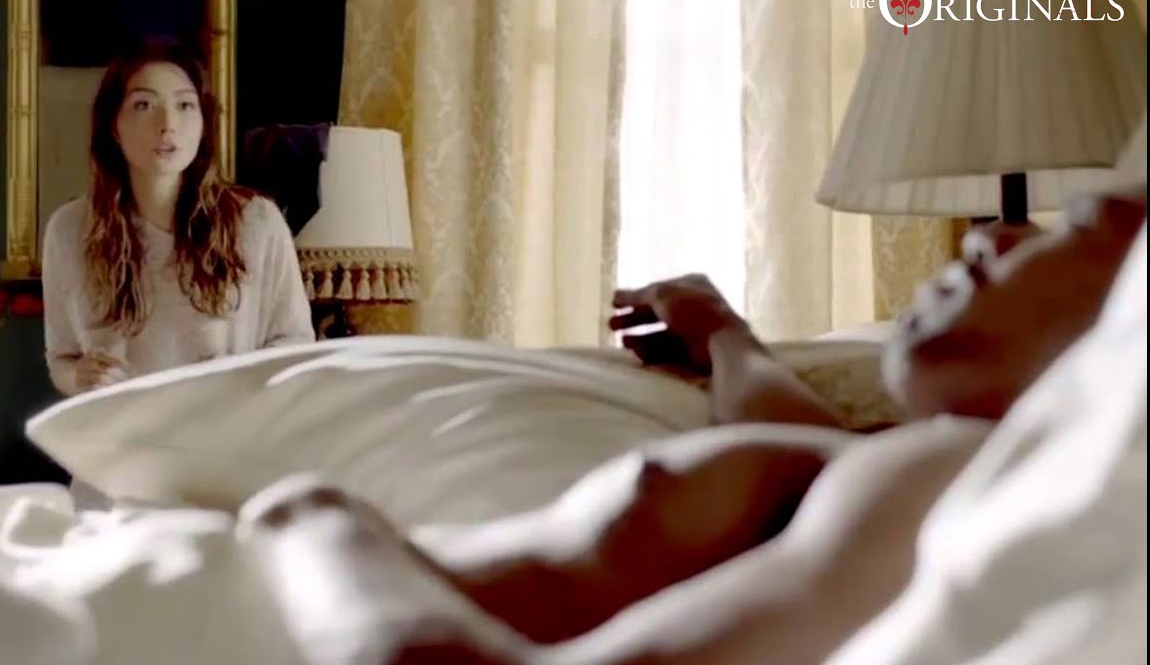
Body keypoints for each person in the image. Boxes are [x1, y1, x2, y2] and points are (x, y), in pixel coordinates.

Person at [231, 189, 1147, 664]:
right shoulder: (906, 470)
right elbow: (811, 448)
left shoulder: (945, 485)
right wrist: (726, 339)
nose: (992, 235)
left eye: (1082, 225)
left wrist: (313, 517)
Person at [41, 39, 315, 399]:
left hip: (226, 427)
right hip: (122, 430)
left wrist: (240, 382)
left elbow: (294, 344)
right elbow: (61, 358)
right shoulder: (70, 230)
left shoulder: (256, 222)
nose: (168, 124)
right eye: (144, 105)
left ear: (203, 121)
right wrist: (80, 375)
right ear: (113, 125)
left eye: (185, 105)